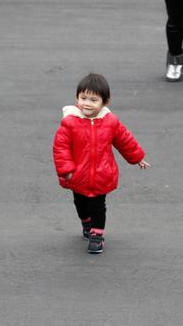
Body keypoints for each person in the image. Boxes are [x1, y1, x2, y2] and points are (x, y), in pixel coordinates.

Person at [52, 73, 150, 254]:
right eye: (83, 98)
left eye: (93, 100)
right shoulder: (69, 123)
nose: (87, 103)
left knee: (98, 206)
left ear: (105, 102)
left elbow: (124, 140)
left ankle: (96, 235)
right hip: (77, 175)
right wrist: (66, 170)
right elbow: (61, 148)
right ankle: (86, 222)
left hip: (101, 174)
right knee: (80, 203)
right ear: (76, 98)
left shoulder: (110, 122)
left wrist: (137, 158)